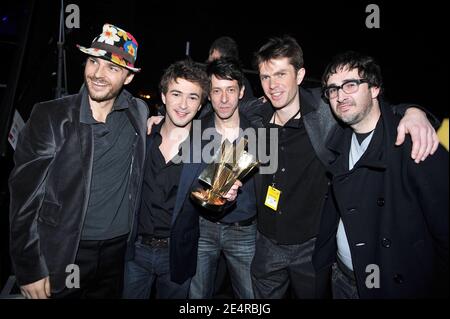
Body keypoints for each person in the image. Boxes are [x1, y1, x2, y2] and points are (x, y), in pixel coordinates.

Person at [244, 35, 440, 299]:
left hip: (311, 246)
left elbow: (371, 108)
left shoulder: (326, 111)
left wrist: (414, 112)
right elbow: (223, 107)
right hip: (266, 242)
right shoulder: (256, 117)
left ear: (300, 75)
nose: (272, 85)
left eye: (280, 74)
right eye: (265, 77)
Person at [9, 23, 148, 299]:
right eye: (93, 62)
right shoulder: (50, 116)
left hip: (117, 253)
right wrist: (29, 267)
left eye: (112, 68)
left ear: (128, 78)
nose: (98, 74)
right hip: (66, 251)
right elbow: (23, 199)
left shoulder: (138, 112)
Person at [315, 51, 448, 298]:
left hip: (390, 287)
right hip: (342, 277)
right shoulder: (338, 141)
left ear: (375, 88)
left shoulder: (415, 143)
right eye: (333, 90)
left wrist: (415, 111)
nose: (340, 95)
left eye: (350, 85)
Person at [122, 59, 240, 299]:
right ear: (164, 97)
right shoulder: (140, 138)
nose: (183, 105)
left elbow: (211, 208)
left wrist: (225, 200)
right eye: (176, 94)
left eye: (193, 97)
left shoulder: (211, 149)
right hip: (134, 252)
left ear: (200, 106)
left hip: (176, 255)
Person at [189, 58, 257, 299]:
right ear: (209, 94)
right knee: (197, 296)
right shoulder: (195, 129)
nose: (224, 98)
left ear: (241, 92)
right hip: (202, 229)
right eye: (217, 91)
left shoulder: (258, 133)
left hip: (244, 230)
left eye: (230, 90)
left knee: (250, 297)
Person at [207, 36, 254, 101]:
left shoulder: (241, 82)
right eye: (210, 63)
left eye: (231, 90)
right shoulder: (205, 78)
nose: (224, 99)